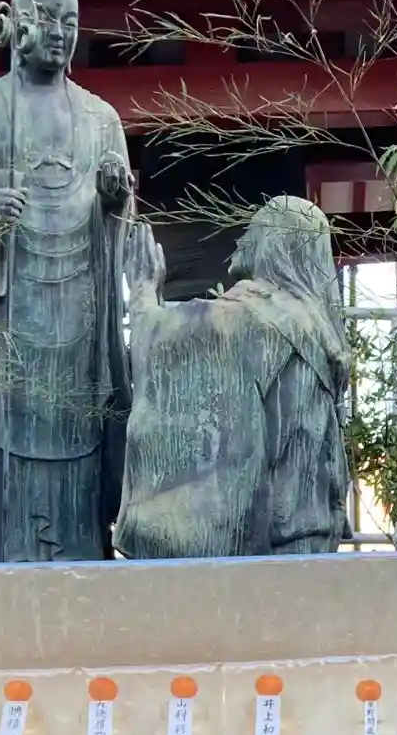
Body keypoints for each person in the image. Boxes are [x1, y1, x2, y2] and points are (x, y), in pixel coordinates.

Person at [0, 0, 132, 563]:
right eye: (48, 19)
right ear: (15, 24)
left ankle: (82, 569)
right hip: (12, 315)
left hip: (81, 318)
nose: (59, 34)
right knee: (8, 446)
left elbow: (121, 208)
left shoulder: (101, 118)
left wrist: (114, 198)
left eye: (70, 24)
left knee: (85, 441)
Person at [116, 196, 351, 560]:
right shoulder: (313, 326)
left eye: (252, 231)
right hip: (310, 535)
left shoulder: (259, 319)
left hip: (273, 551)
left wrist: (143, 293)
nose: (241, 240)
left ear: (274, 242)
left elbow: (169, 339)